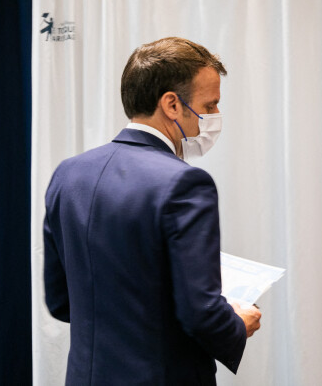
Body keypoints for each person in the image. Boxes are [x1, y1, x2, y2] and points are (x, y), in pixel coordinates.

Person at [44, 37, 261, 385]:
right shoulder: (186, 183)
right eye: (210, 105)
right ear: (172, 104)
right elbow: (200, 314)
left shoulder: (68, 174)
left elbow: (61, 301)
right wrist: (236, 322)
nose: (214, 117)